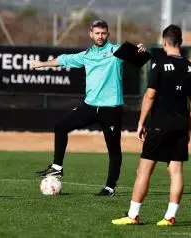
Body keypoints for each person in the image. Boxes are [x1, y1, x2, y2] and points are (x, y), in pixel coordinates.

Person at [30, 19, 146, 197]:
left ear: (108, 34)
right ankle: (57, 168)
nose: (100, 36)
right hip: (90, 106)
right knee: (61, 126)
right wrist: (42, 64)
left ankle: (110, 187)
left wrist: (140, 52)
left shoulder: (117, 51)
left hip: (111, 109)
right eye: (97, 33)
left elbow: (141, 60)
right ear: (91, 34)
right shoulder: (86, 55)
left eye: (104, 33)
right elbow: (63, 60)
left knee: (113, 148)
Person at [111, 24, 191, 225]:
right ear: (181, 42)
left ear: (163, 41)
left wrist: (141, 122)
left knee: (144, 170)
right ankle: (170, 216)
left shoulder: (159, 64)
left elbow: (150, 95)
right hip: (180, 125)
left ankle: (133, 215)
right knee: (176, 171)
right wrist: (189, 127)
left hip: (160, 124)